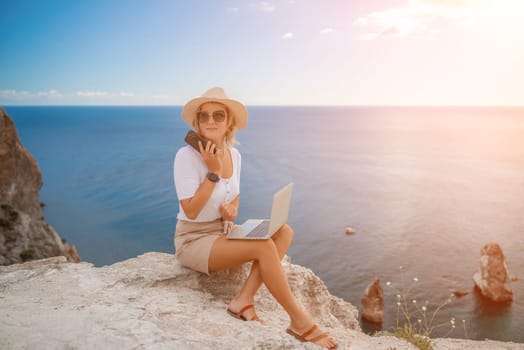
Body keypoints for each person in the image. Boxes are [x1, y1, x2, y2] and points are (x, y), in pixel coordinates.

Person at [173, 87, 338, 349]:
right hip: (194, 239)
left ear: (229, 122)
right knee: (263, 246)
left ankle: (243, 301)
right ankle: (300, 322)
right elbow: (191, 210)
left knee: (284, 232)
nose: (211, 121)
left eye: (218, 115)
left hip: (223, 231)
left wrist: (233, 210)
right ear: (197, 122)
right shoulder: (186, 157)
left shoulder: (234, 155)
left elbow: (234, 195)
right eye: (204, 116)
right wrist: (213, 173)